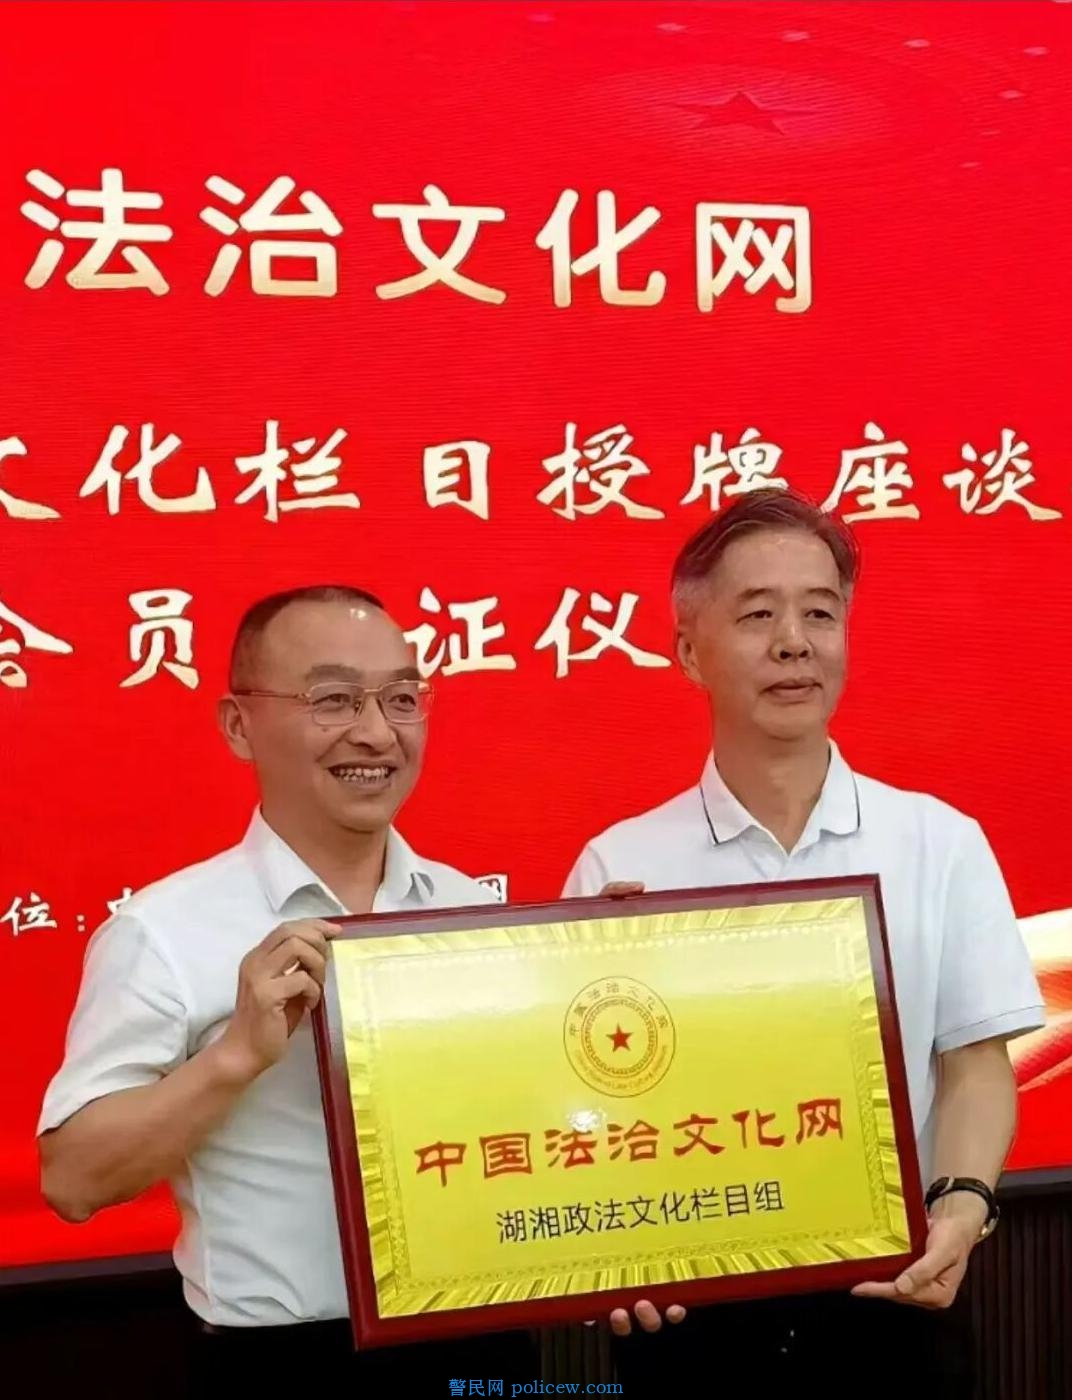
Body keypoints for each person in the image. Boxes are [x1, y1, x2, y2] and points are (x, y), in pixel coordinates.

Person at [563, 491, 1044, 1398]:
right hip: (692, 1319)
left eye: (820, 613)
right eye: (758, 615)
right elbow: (584, 1107)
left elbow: (975, 1064)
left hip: (895, 1299)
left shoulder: (937, 842)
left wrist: (963, 1206)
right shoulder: (620, 867)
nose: (794, 642)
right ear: (688, 651)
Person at [39, 585, 537, 1394]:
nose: (375, 732)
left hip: (486, 1343)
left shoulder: (475, 916)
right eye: (333, 699)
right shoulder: (164, 932)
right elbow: (72, 1182)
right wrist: (234, 1057)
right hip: (278, 1366)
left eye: (401, 698)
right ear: (239, 726)